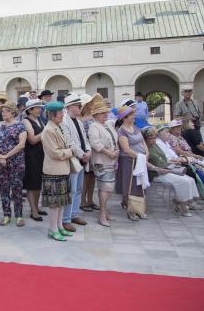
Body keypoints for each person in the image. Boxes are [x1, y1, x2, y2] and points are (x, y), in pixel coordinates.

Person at [143, 127, 200, 216]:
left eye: (154, 137)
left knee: (190, 180)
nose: (154, 140)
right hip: (156, 173)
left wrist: (172, 162)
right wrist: (158, 169)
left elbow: (163, 158)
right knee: (183, 182)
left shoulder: (155, 145)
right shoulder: (144, 148)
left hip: (166, 168)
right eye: (151, 138)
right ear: (145, 139)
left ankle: (178, 201)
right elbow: (145, 163)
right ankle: (183, 207)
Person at [41, 101, 74, 241]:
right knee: (55, 204)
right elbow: (55, 153)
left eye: (62, 112)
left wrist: (67, 151)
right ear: (52, 115)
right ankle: (52, 229)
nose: (62, 115)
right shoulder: (48, 130)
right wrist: (70, 152)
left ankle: (59, 226)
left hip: (62, 169)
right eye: (60, 113)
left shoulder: (58, 126)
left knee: (61, 201)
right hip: (53, 170)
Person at [0, 102, 27, 226]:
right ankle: (6, 215)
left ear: (12, 112)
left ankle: (19, 216)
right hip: (0, 162)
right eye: (2, 111)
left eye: (6, 111)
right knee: (3, 189)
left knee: (17, 189)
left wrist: (6, 156)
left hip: (16, 162)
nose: (3, 113)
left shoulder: (20, 126)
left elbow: (21, 144)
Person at [87, 95, 119, 226]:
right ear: (95, 115)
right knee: (105, 187)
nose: (105, 115)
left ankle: (104, 211)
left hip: (111, 160)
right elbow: (95, 144)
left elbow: (115, 138)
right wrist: (109, 153)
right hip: (101, 161)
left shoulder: (107, 124)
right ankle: (102, 214)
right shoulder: (93, 126)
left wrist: (116, 150)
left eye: (105, 112)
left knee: (109, 188)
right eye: (102, 113)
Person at [60, 93, 90, 231]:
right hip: (73, 160)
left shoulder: (78, 121)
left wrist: (88, 151)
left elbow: (85, 138)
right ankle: (65, 219)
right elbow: (69, 142)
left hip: (82, 160)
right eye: (78, 106)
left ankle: (74, 214)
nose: (80, 108)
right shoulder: (64, 121)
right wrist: (82, 154)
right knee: (71, 190)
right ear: (70, 107)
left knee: (78, 189)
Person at [115, 105, 148, 221]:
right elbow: (126, 149)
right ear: (124, 117)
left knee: (140, 184)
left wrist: (146, 153)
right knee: (130, 185)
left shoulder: (135, 127)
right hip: (129, 161)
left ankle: (139, 208)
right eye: (131, 115)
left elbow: (143, 142)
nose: (134, 116)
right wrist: (140, 156)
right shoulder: (122, 131)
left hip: (140, 160)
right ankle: (131, 209)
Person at [167, 119, 204, 190]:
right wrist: (195, 156)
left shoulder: (179, 137)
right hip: (185, 159)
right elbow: (178, 150)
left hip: (190, 157)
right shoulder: (172, 137)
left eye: (179, 127)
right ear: (171, 130)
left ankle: (203, 187)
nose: (179, 129)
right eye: (176, 128)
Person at [22, 99, 47, 220]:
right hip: (31, 155)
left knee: (38, 182)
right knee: (32, 184)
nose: (40, 109)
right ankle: (33, 210)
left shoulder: (39, 120)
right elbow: (32, 140)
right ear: (30, 110)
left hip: (41, 154)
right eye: (37, 108)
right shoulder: (26, 121)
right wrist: (46, 131)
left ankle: (36, 207)